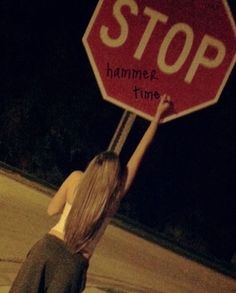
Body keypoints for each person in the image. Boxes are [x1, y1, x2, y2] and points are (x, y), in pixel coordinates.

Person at [9, 94, 172, 292]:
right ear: (115, 178)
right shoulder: (112, 198)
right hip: (73, 264)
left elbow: (52, 209)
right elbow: (139, 153)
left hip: (46, 249)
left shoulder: (76, 178)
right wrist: (156, 118)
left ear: (93, 165)